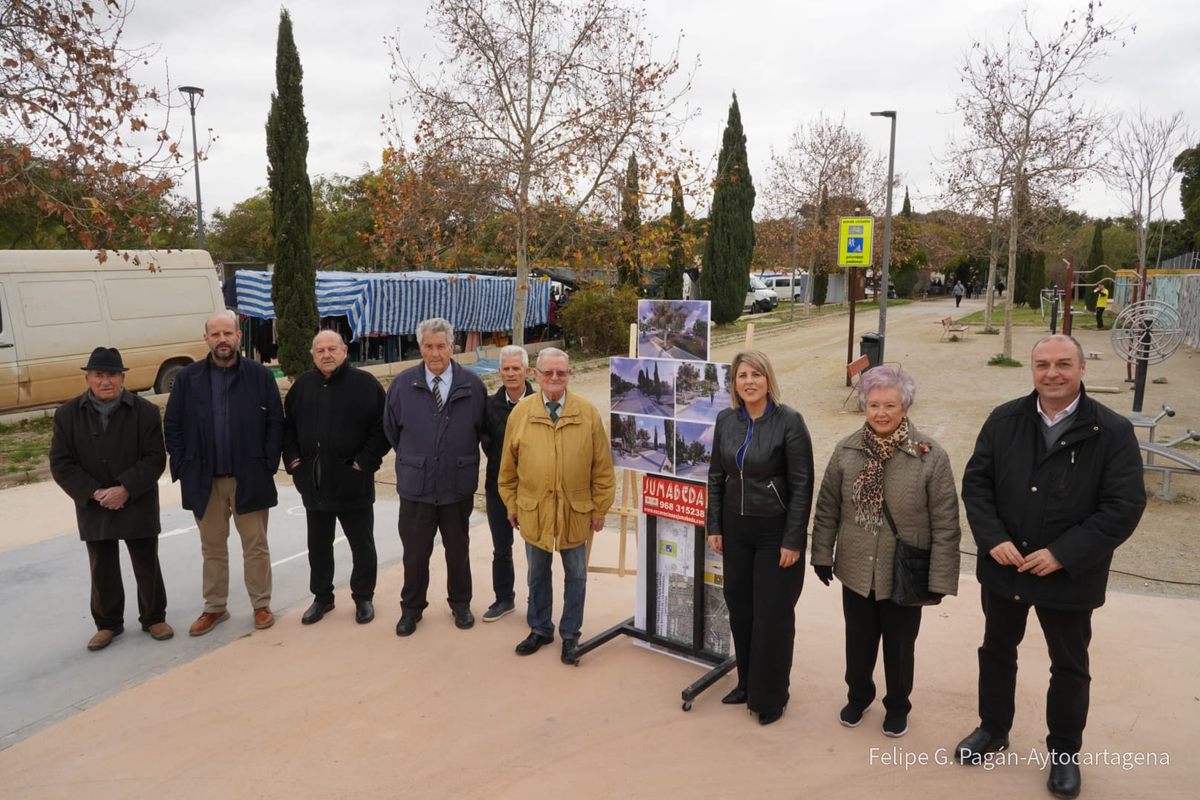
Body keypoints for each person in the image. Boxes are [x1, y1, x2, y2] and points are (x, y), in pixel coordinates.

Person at [955, 335, 1146, 800]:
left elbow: (1123, 505)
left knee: (1069, 665)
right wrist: (994, 538)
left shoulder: (1112, 431)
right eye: (1043, 364)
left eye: (1063, 363)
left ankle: (1064, 753)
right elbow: (977, 484)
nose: (1052, 373)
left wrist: (1064, 553)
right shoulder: (1004, 420)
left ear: (1083, 368)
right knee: (997, 651)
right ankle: (993, 729)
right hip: (1006, 568)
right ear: (1032, 369)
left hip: (1070, 575)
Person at [810, 365, 961, 738]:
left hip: (904, 571)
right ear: (864, 406)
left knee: (899, 645)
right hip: (857, 565)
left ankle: (898, 705)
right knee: (858, 640)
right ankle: (859, 695)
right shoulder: (846, 451)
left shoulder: (930, 456)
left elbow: (946, 523)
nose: (881, 413)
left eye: (890, 405)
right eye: (874, 404)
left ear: (905, 407)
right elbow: (827, 507)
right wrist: (821, 554)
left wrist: (940, 577)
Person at [706, 349, 814, 726]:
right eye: (741, 375)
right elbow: (716, 476)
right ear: (733, 383)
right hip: (736, 530)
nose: (749, 381)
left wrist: (793, 539)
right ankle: (747, 684)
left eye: (755, 374)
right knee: (741, 609)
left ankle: (771, 696)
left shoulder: (789, 422)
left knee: (773, 616)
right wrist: (714, 525)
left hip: (774, 533)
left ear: (768, 379)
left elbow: (802, 486)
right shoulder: (726, 420)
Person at [164, 310, 284, 636]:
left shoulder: (259, 375)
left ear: (238, 337)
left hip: (250, 476)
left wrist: (267, 463)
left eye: (227, 333)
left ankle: (261, 604)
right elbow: (172, 425)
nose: (222, 340)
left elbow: (275, 422)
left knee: (255, 545)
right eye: (215, 334)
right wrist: (185, 466)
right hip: (204, 481)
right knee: (212, 548)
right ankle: (215, 608)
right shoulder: (188, 379)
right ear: (206, 339)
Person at [49, 347, 171, 651]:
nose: (106, 381)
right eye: (99, 375)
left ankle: (154, 617)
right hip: (95, 503)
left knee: (146, 562)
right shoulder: (67, 415)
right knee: (101, 564)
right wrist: (94, 493)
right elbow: (61, 463)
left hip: (137, 499)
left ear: (122, 378)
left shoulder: (145, 411)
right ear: (88, 378)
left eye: (112, 375)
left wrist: (126, 488)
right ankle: (107, 624)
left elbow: (155, 457)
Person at [498, 348, 614, 664]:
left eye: (561, 373)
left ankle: (570, 635)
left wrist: (600, 508)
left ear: (568, 375)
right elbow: (507, 469)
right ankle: (540, 629)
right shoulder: (520, 414)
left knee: (576, 576)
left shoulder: (587, 413)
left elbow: (602, 468)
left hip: (575, 512)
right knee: (537, 574)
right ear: (536, 375)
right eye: (548, 373)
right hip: (533, 510)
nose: (554, 378)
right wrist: (511, 503)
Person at [384, 317, 486, 636]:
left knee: (458, 551)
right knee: (415, 555)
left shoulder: (472, 384)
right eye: (428, 346)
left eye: (441, 346)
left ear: (452, 346)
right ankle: (411, 610)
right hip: (417, 487)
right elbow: (392, 431)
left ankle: (461, 604)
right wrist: (418, 459)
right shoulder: (402, 385)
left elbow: (482, 429)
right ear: (420, 347)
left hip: (457, 486)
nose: (435, 353)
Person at [283, 330, 390, 626]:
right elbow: (287, 428)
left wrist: (362, 463)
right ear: (313, 355)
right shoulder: (302, 386)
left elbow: (383, 429)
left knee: (362, 545)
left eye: (332, 348)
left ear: (345, 351)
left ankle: (363, 597)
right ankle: (322, 597)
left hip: (352, 480)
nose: (326, 354)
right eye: (320, 350)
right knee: (318, 545)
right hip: (313, 483)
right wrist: (294, 463)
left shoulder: (365, 385)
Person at [479, 345, 537, 623]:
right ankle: (504, 599)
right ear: (499, 372)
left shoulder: (540, 404)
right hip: (497, 488)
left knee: (534, 548)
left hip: (532, 490)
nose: (511, 373)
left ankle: (537, 601)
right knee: (501, 548)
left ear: (527, 371)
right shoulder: (489, 405)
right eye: (506, 368)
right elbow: (486, 443)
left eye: (517, 368)